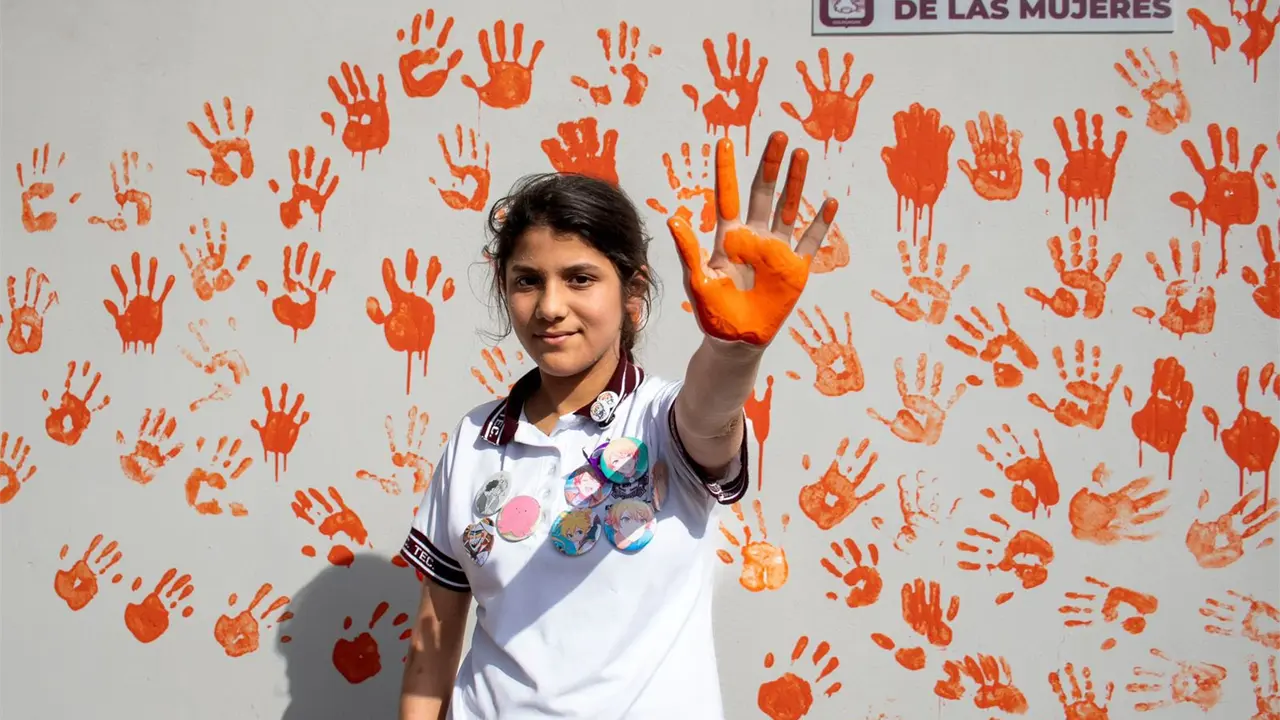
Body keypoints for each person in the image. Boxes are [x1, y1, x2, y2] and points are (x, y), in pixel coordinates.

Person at [398, 129, 837, 720]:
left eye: (580, 279)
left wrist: (734, 349)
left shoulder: (663, 422)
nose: (550, 307)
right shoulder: (474, 440)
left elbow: (711, 416)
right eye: (528, 281)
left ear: (632, 293)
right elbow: (434, 641)